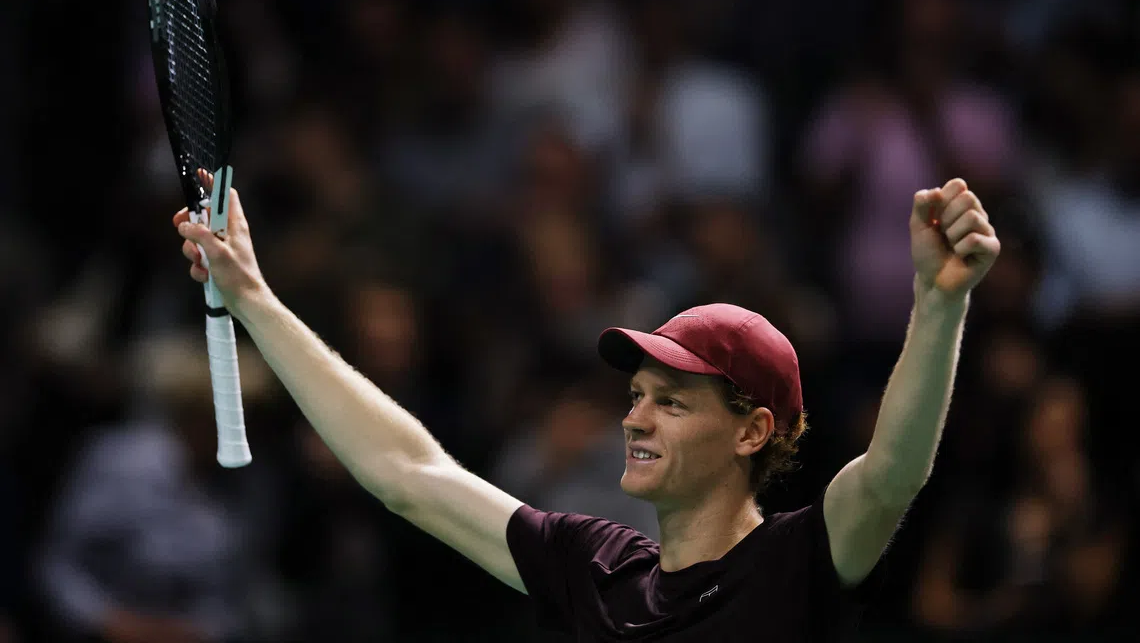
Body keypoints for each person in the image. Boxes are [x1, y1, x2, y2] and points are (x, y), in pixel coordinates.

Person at [174, 173, 1000, 641]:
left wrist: (937, 302)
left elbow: (893, 473)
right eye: (637, 396)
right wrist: (255, 300)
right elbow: (407, 471)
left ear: (752, 431)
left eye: (671, 403)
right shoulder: (594, 568)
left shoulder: (798, 564)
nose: (634, 419)